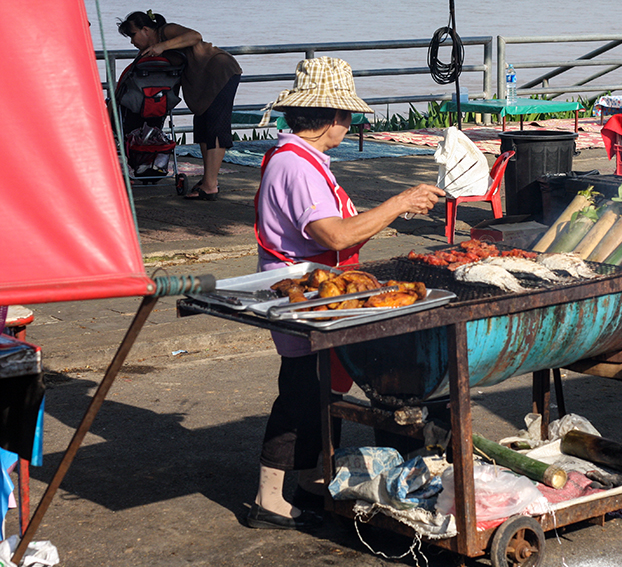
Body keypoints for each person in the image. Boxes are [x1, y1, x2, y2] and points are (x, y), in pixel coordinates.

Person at [248, 56, 444, 530]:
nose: (348, 123)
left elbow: (343, 232)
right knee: (301, 392)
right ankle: (267, 499)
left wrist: (387, 217)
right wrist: (397, 203)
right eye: (347, 116)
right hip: (306, 295)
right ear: (335, 118)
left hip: (325, 293)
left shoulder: (303, 158)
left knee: (322, 387)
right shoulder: (298, 167)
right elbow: (333, 236)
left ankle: (314, 482)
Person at [118, 11, 241, 200]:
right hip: (204, 81)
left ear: (145, 30)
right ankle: (209, 180)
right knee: (201, 127)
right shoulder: (153, 48)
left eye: (133, 35)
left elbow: (195, 36)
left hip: (220, 72)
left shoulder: (166, 31)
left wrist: (162, 46)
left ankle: (210, 185)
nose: (132, 41)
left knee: (215, 127)